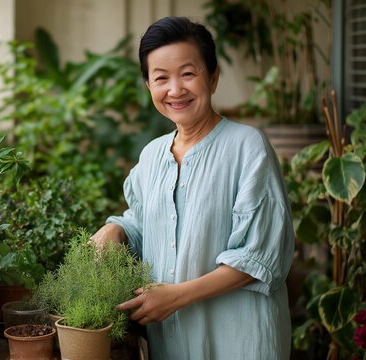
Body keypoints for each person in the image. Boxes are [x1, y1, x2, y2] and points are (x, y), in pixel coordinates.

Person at [91, 16, 294, 359]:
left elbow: (260, 256)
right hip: (170, 342)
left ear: (213, 78)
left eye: (188, 74)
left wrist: (177, 296)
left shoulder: (247, 146)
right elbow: (146, 223)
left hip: (238, 339)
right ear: (148, 86)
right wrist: (117, 229)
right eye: (161, 78)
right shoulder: (152, 155)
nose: (175, 90)